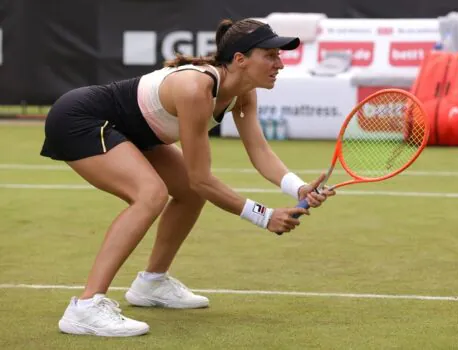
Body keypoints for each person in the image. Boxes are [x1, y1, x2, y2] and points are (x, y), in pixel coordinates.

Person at [40, 18, 335, 337]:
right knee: (150, 194)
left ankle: (151, 284)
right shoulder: (196, 89)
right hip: (81, 119)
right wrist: (264, 216)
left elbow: (259, 152)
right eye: (270, 55)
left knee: (187, 194)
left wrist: (297, 187)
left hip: (133, 132)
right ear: (240, 60)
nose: (280, 64)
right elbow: (201, 177)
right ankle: (85, 307)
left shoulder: (243, 93)